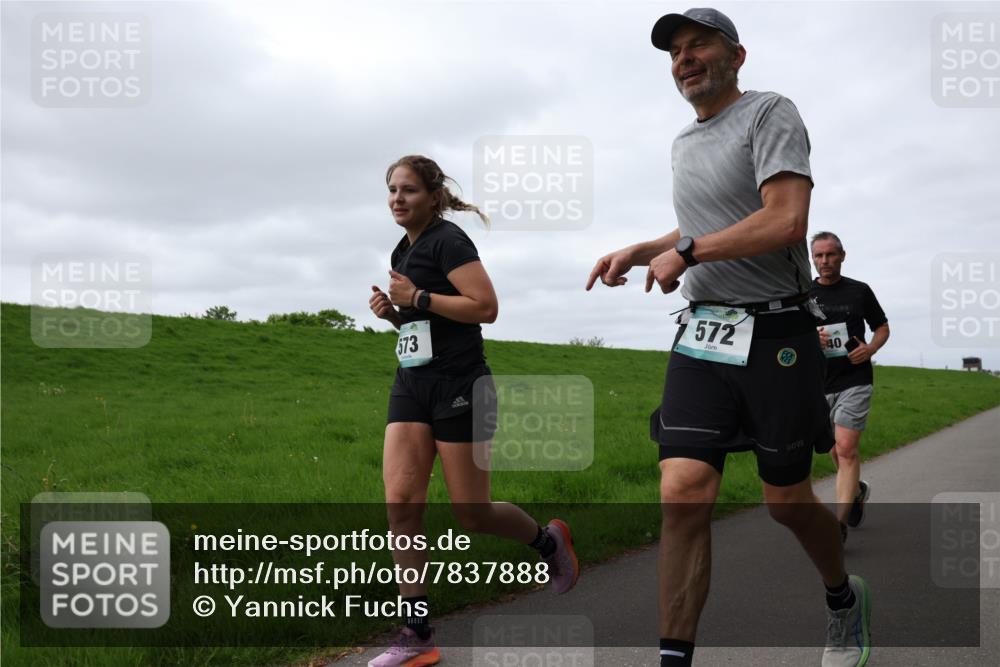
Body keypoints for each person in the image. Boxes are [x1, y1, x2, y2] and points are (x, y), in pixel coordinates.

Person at [585, 9, 871, 667]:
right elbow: (700, 225)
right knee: (682, 490)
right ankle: (674, 659)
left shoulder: (771, 113)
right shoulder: (683, 141)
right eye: (675, 51)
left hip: (779, 333)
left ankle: (841, 598)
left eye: (698, 46)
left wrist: (686, 249)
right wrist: (642, 248)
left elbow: (784, 219)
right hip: (703, 334)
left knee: (786, 501)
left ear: (736, 56)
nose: (684, 59)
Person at [366, 155, 579, 667]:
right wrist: (397, 315)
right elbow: (430, 321)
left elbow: (484, 307)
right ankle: (416, 633)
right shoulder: (404, 246)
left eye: (409, 190)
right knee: (402, 503)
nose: (398, 199)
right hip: (413, 385)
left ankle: (548, 543)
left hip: (463, 386)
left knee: (472, 514)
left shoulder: (449, 241)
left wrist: (416, 295)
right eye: (392, 190)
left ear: (434, 196)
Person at [810, 231, 890, 543]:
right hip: (818, 381)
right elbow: (790, 331)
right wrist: (810, 337)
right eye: (819, 256)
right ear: (813, 258)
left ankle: (838, 525)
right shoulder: (804, 293)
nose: (825, 261)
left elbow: (881, 326)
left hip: (854, 378)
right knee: (833, 450)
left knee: (845, 449)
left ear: (842, 256)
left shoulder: (859, 291)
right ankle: (856, 491)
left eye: (831, 255)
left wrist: (870, 349)